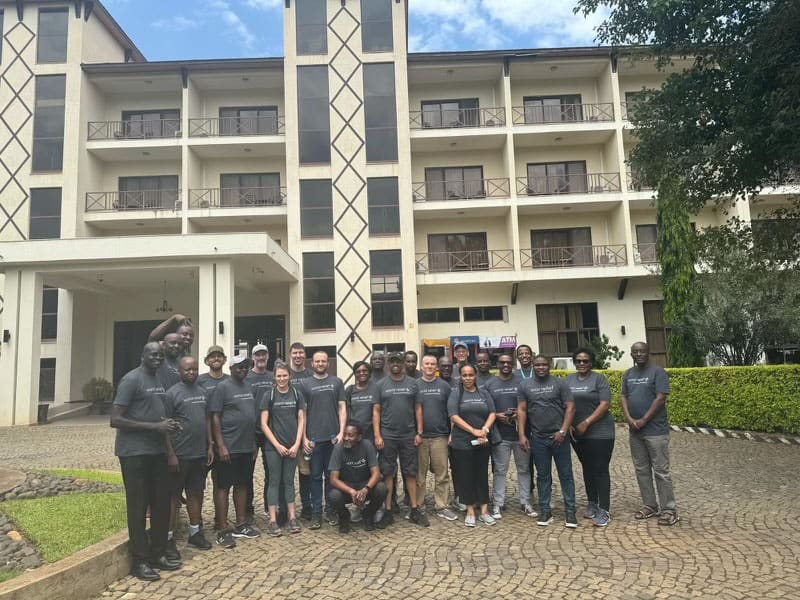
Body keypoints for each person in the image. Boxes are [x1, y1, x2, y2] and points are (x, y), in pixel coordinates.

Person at [110, 342, 182, 581]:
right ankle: (139, 560)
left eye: (161, 356)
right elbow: (116, 419)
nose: (158, 358)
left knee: (161, 505)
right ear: (143, 355)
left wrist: (169, 428)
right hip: (133, 454)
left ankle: (158, 553)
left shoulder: (158, 381)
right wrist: (154, 426)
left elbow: (159, 416)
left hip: (156, 452)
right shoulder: (131, 380)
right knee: (138, 507)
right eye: (153, 354)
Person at [621, 341, 678, 526]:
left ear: (648, 353)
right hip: (635, 431)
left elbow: (660, 397)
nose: (639, 354)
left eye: (642, 351)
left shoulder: (658, 372)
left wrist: (644, 419)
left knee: (661, 471)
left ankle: (669, 510)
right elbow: (623, 396)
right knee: (641, 470)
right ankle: (650, 505)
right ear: (631, 354)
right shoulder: (628, 374)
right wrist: (629, 418)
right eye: (635, 351)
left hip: (655, 431)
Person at [518, 355, 577, 528]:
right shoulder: (525, 385)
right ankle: (545, 510)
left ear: (549, 365)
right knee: (543, 476)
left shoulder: (560, 383)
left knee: (566, 474)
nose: (541, 367)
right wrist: (521, 434)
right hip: (538, 438)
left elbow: (570, 407)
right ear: (533, 366)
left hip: (559, 437)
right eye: (538, 365)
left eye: (544, 364)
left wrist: (563, 431)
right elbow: (521, 410)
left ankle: (570, 511)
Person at [209, 354, 261, 548]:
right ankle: (222, 529)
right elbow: (215, 417)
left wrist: (254, 443)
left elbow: (250, 416)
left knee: (242, 485)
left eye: (245, 367)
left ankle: (241, 523)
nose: (243, 370)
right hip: (228, 447)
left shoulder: (249, 387)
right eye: (239, 367)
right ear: (231, 369)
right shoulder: (221, 387)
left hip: (246, 446)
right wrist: (220, 445)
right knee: (223, 486)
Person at [373, 352, 429, 527]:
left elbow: (418, 409)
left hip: (408, 435)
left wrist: (419, 432)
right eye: (392, 362)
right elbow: (376, 411)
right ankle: (388, 510)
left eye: (399, 361)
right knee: (388, 473)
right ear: (388, 364)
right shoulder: (380, 384)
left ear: (404, 363)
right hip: (388, 435)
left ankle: (414, 509)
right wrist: (377, 435)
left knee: (410, 472)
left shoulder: (413, 384)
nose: (395, 364)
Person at [164, 357, 214, 554]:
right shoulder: (171, 394)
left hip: (199, 454)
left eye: (194, 369)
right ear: (180, 371)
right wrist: (170, 454)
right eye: (187, 369)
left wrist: (210, 445)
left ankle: (195, 533)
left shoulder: (203, 391)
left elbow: (207, 420)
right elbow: (165, 426)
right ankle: (168, 538)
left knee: (196, 493)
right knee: (174, 497)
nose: (191, 372)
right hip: (179, 454)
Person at [298, 351, 347, 530]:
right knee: (315, 477)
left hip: (333, 439)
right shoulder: (305, 384)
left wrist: (342, 432)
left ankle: (331, 510)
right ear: (312, 363)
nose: (320, 363)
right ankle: (316, 513)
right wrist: (303, 438)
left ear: (328, 363)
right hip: (314, 440)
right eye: (317, 361)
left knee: (331, 477)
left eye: (323, 361)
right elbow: (302, 413)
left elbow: (342, 408)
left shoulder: (337, 382)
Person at [567, 347, 614, 527]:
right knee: (587, 467)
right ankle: (592, 502)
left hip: (600, 432)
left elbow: (605, 404)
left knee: (600, 469)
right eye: (578, 361)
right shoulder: (569, 380)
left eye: (585, 361)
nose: (581, 364)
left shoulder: (599, 379)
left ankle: (604, 509)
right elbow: (565, 403)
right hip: (577, 433)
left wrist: (586, 422)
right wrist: (569, 425)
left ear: (591, 362)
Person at [485, 353, 536, 519]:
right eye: (502, 362)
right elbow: (486, 407)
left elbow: (528, 405)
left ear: (513, 363)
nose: (505, 365)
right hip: (500, 436)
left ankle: (526, 502)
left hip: (521, 434)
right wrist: (497, 415)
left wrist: (518, 415)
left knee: (524, 469)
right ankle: (498, 504)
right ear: (497, 364)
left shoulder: (521, 382)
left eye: (508, 362)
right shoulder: (490, 384)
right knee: (500, 470)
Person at [447, 363, 497, 527]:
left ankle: (484, 510)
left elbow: (492, 412)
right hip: (462, 442)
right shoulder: (456, 394)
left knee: (482, 475)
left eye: (470, 375)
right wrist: (473, 430)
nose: (468, 378)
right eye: (464, 375)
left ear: (475, 376)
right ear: (460, 377)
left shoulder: (483, 392)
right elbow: (454, 416)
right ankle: (469, 510)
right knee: (466, 476)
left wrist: (484, 429)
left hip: (482, 441)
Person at [260, 362, 305, 537]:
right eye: (278, 376)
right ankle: (272, 520)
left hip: (292, 445)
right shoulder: (269, 395)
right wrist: (277, 445)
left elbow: (301, 419)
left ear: (289, 376)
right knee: (274, 481)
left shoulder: (296, 393)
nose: (282, 379)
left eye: (284, 375)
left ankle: (292, 517)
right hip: (273, 447)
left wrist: (296, 444)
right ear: (274, 377)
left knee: (288, 481)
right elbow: (264, 424)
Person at [415, 354, 457, 521]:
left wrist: (452, 433)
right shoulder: (415, 385)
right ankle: (419, 505)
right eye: (427, 364)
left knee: (442, 473)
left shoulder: (444, 386)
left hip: (440, 436)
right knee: (420, 474)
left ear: (436, 367)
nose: (430, 366)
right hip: (421, 437)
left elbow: (451, 412)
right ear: (422, 366)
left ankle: (442, 505)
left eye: (433, 364)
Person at [329, 422, 386, 533]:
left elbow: (376, 473)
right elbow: (333, 479)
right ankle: (344, 517)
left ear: (359, 437)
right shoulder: (338, 448)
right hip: (347, 486)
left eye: (350, 435)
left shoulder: (367, 445)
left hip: (364, 484)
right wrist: (351, 491)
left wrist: (366, 489)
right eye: (345, 434)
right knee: (334, 495)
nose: (346, 438)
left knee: (381, 488)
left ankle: (368, 514)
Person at [244, 344, 275, 522]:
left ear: (268, 356)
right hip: (252, 432)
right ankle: (248, 510)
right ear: (252, 357)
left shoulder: (273, 377)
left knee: (271, 471)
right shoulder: (246, 378)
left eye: (264, 354)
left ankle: (269, 506)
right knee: (248, 473)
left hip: (271, 431)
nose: (261, 357)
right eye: (258, 355)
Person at [287, 341, 313, 521]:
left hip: (307, 430)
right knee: (285, 474)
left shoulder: (310, 375)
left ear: (305, 355)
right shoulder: (284, 374)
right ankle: (283, 508)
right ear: (290, 354)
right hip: (286, 430)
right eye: (295, 353)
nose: (298, 356)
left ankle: (307, 506)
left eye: (301, 353)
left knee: (306, 472)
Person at [346, 361, 378, 442]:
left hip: (371, 434)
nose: (361, 373)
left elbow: (377, 411)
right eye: (358, 372)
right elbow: (346, 411)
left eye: (364, 371)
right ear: (355, 374)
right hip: (354, 434)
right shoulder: (350, 390)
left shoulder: (376, 388)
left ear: (369, 372)